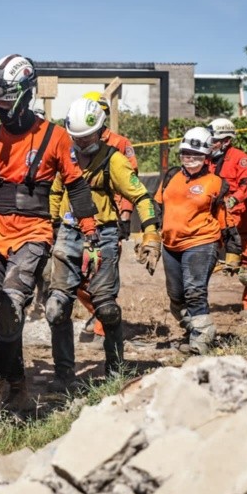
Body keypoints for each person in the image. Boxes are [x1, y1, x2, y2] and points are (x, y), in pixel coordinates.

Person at [0, 54, 98, 417]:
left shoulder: (55, 138)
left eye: (3, 98)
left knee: (11, 305)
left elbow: (76, 187)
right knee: (3, 313)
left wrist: (90, 236)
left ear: (24, 94)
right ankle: (19, 390)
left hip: (34, 231)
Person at [46, 98, 161, 386]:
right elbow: (56, 193)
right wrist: (50, 227)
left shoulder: (114, 159)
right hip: (67, 235)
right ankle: (64, 379)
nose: (82, 144)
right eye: (77, 138)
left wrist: (151, 234)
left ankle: (114, 373)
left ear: (100, 131)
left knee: (106, 309)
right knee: (56, 309)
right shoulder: (65, 156)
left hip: (102, 236)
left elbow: (142, 197)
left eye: (87, 137)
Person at [155, 127, 241, 354]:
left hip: (202, 242)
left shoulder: (215, 183)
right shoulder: (171, 176)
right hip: (171, 245)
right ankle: (194, 328)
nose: (190, 159)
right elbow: (158, 208)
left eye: (196, 155)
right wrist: (152, 238)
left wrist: (233, 249)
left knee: (194, 291)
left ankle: (201, 341)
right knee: (176, 296)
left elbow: (224, 217)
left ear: (206, 157)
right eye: (186, 153)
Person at [78, 91, 140, 343]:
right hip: (77, 219)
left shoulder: (120, 143)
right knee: (77, 278)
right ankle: (99, 315)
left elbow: (130, 184)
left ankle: (104, 329)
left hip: (108, 220)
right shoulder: (74, 143)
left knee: (103, 274)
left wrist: (125, 216)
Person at [207, 117, 247, 316]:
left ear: (226, 141)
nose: (209, 144)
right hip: (212, 219)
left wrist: (235, 199)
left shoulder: (240, 158)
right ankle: (197, 303)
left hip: (238, 219)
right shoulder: (205, 158)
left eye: (213, 140)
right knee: (203, 257)